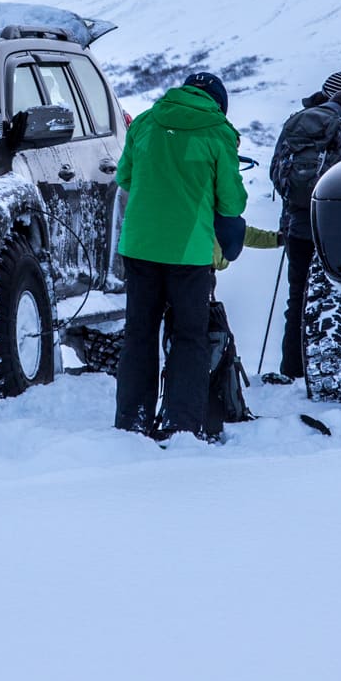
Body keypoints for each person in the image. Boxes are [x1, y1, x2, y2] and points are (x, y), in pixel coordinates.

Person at [113, 70, 249, 440]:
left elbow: (125, 177)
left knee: (139, 334)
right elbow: (232, 202)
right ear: (218, 102)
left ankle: (132, 419)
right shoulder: (218, 132)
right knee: (190, 337)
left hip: (140, 246)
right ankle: (181, 422)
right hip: (188, 252)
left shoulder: (145, 122)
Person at [267, 71, 341, 383]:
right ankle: (334, 375)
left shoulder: (297, 123)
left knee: (297, 297)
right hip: (338, 233)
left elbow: (277, 173)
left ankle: (293, 371)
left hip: (297, 228)